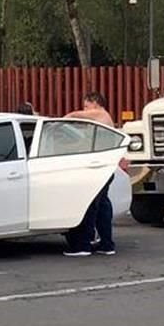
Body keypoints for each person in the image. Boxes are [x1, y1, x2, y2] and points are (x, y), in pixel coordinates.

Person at [63, 91, 116, 256]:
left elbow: (76, 115)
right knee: (102, 207)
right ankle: (106, 244)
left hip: (99, 168)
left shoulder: (100, 113)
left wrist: (62, 121)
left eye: (86, 105)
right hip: (105, 166)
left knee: (91, 205)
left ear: (95, 102)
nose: (84, 109)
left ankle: (83, 245)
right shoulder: (102, 119)